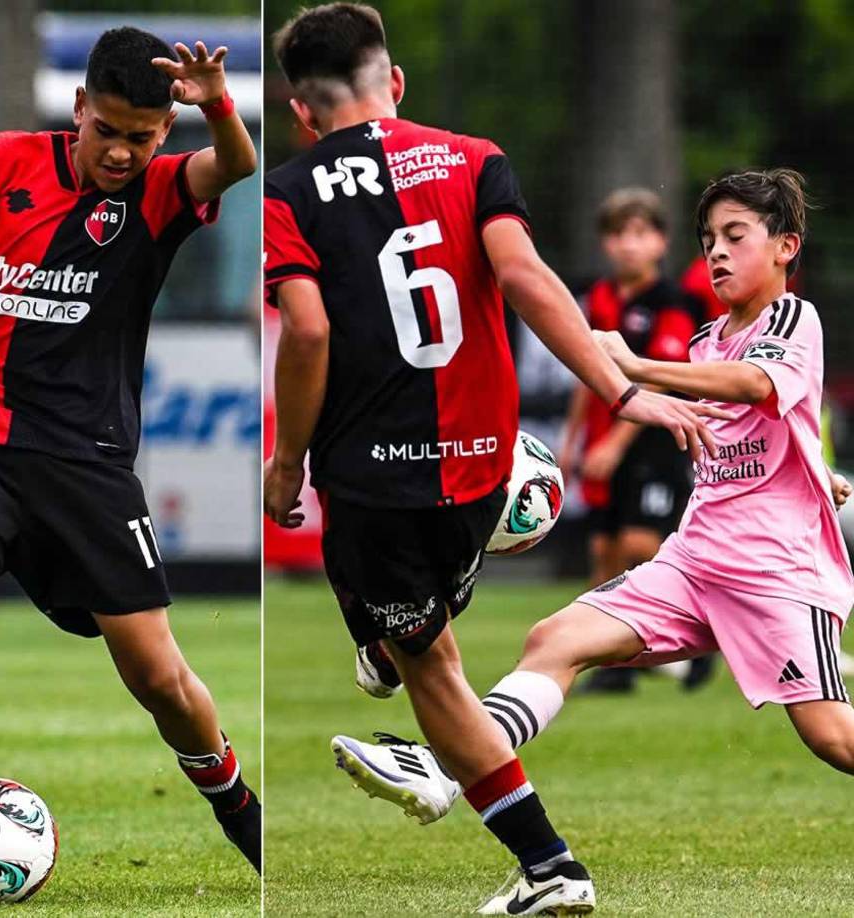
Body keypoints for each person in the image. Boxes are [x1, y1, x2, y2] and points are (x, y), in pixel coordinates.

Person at [263, 4, 725, 914]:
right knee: (416, 630)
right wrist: (621, 390)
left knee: (428, 664)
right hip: (483, 470)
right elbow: (526, 280)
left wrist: (288, 465)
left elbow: (307, 330)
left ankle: (549, 864)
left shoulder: (288, 190)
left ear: (302, 111)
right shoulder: (474, 159)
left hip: (375, 481)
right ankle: (389, 652)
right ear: (393, 83)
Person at [342, 168, 854, 888]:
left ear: (785, 247)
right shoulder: (710, 339)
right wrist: (812, 467)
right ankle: (445, 767)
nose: (717, 252)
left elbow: (759, 387)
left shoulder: (790, 320)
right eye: (709, 239)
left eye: (736, 236)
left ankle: (452, 763)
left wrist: (637, 365)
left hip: (776, 571)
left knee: (832, 735)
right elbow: (761, 424)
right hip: (697, 559)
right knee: (554, 639)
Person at [0, 27, 261, 895]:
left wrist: (217, 106)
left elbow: (233, 165)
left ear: (162, 135)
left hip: (89, 463)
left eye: (140, 137)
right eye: (107, 128)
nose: (120, 151)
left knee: (157, 674)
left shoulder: (159, 192)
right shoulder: (3, 160)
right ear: (78, 108)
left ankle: (240, 809)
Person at [556, 188, 712, 693]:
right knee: (603, 550)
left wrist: (615, 446)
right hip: (604, 443)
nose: (629, 245)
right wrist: (572, 439)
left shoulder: (674, 302)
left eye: (641, 234)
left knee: (641, 544)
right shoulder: (599, 298)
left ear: (661, 243)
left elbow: (661, 380)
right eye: (619, 234)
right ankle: (612, 667)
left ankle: (699, 640)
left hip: (656, 441)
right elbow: (588, 372)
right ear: (606, 243)